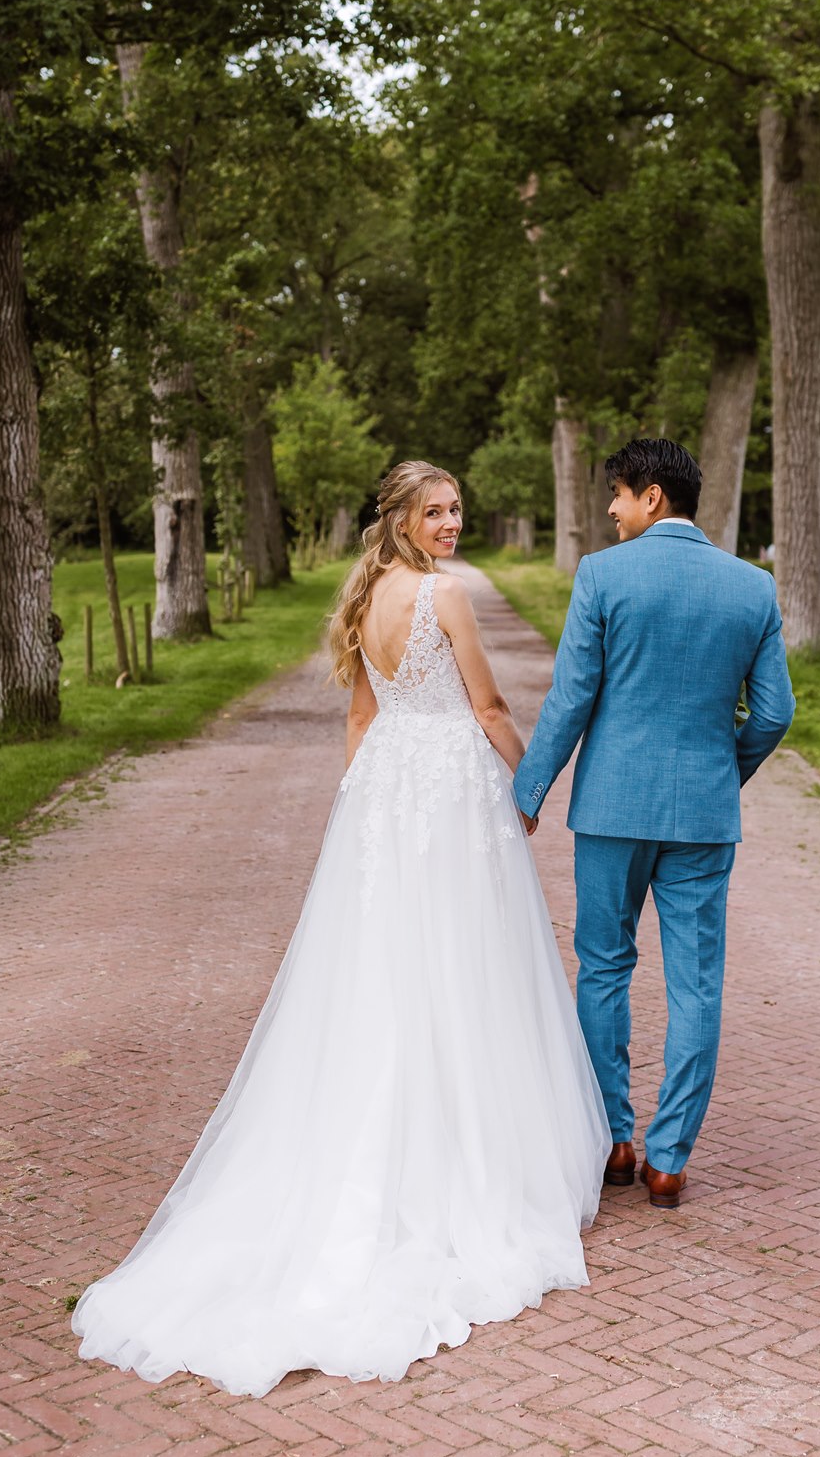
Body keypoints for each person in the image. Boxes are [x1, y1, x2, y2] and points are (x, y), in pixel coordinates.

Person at [73, 461, 609, 1396]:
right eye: (434, 511)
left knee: (389, 967)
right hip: (449, 795)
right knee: (465, 964)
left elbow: (362, 719)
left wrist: (361, 815)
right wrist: (528, 789)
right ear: (400, 519)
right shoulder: (445, 597)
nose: (451, 523)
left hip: (388, 792)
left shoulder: (365, 596)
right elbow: (486, 707)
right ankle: (468, 1161)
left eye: (455, 508)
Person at [513, 437, 795, 1209]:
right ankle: (669, 1159)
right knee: (695, 981)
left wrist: (529, 790)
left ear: (652, 498)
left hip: (611, 807)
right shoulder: (752, 587)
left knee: (604, 966)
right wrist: (722, 773)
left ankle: (612, 1138)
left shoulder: (603, 575)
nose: (610, 509)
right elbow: (775, 713)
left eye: (617, 493)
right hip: (703, 813)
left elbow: (572, 695)